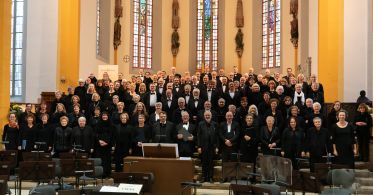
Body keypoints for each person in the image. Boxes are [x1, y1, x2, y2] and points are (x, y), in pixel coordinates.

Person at [197, 111, 219, 183]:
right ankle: (204, 177)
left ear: (211, 116)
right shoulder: (200, 124)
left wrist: (217, 147)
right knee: (204, 163)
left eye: (208, 115)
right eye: (206, 115)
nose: (207, 116)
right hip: (203, 147)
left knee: (210, 163)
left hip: (212, 147)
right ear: (204, 116)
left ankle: (210, 177)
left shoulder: (215, 124)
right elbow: (198, 136)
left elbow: (217, 137)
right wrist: (199, 147)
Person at [94, 112, 115, 177]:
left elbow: (112, 135)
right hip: (99, 145)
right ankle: (100, 174)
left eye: (106, 115)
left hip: (107, 146)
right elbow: (96, 134)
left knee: (107, 160)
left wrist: (107, 142)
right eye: (103, 115)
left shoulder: (111, 125)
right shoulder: (98, 124)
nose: (104, 116)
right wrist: (99, 141)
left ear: (108, 116)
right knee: (100, 160)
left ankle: (107, 173)